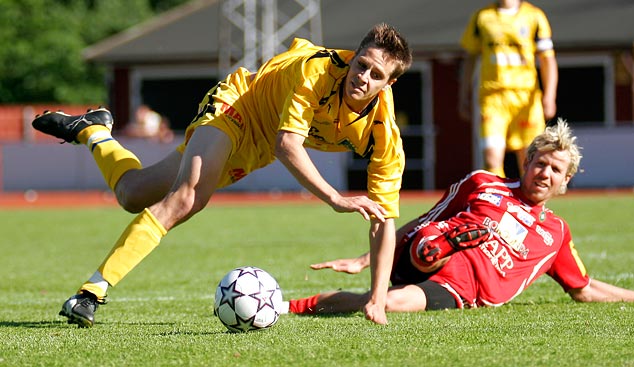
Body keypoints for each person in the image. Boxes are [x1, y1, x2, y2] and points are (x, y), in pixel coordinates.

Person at [32, 23, 412, 327]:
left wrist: (378, 298)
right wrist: (336, 198)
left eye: (375, 74)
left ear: (389, 84)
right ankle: (91, 293)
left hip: (255, 149)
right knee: (187, 198)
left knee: (132, 193)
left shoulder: (384, 135)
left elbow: (383, 220)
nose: (362, 76)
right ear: (355, 56)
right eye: (361, 63)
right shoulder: (319, 71)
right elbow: (288, 145)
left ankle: (93, 131)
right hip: (238, 104)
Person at [285, 120, 634, 316]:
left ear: (565, 183)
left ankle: (296, 307)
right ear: (525, 163)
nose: (544, 173)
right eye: (540, 163)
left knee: (390, 302)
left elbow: (584, 288)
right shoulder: (483, 183)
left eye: (555, 170)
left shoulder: (555, 234)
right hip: (422, 249)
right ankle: (437, 247)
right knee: (432, 235)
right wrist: (364, 259)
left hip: (461, 287)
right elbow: (422, 217)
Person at [459, 0, 558, 177]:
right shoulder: (482, 18)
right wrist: (463, 94)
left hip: (526, 98)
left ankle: (528, 205)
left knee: (530, 160)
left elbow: (547, 60)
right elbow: (470, 58)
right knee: (491, 158)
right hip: (493, 98)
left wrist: (549, 96)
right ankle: (498, 203)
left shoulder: (534, 16)